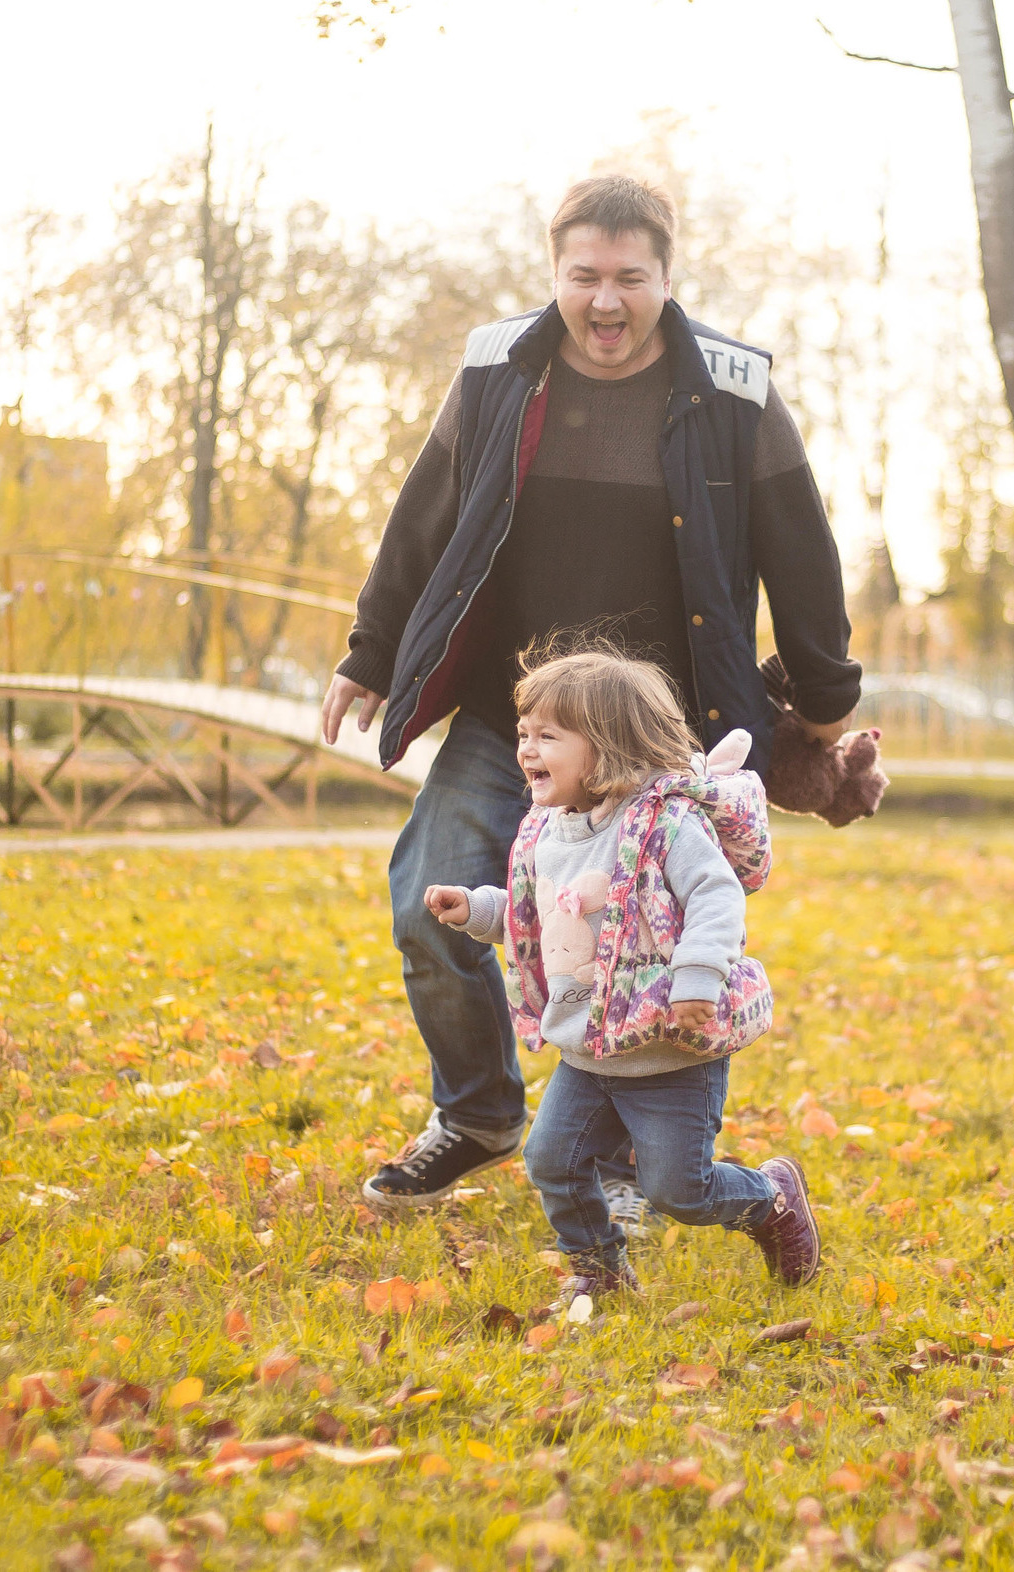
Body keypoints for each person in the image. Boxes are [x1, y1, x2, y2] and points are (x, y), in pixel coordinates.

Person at [320, 174, 860, 1217]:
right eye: (583, 277)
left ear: (666, 275)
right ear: (555, 274)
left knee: (635, 946)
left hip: (661, 739)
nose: (605, 301)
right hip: (509, 716)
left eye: (629, 278)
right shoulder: (497, 371)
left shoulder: (735, 392)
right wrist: (372, 651)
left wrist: (824, 697)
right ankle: (478, 1115)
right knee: (426, 906)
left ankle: (615, 1161)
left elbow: (803, 549)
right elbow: (423, 517)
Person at [424, 646, 820, 1297]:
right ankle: (599, 1272)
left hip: (668, 1053)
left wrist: (696, 979)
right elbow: (541, 921)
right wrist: (475, 908)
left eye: (547, 736)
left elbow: (718, 897)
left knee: (679, 1191)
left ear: (607, 748)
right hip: (588, 1055)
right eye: (523, 734)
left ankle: (770, 1198)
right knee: (551, 1161)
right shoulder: (547, 831)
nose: (525, 749)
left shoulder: (667, 825)